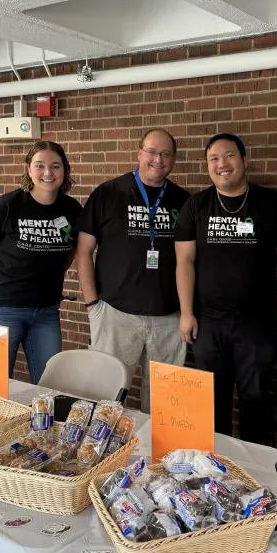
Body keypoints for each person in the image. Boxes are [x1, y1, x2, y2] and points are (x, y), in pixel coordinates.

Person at [175, 133, 277, 446]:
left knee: (256, 398)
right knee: (212, 401)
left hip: (257, 320)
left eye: (229, 156)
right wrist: (186, 312)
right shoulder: (195, 205)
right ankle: (217, 472)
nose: (221, 164)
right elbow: (184, 261)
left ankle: (254, 472)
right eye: (214, 159)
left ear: (243, 160)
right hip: (208, 321)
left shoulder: (270, 203)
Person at [74, 128, 190, 412]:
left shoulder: (184, 200)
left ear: (173, 159)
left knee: (167, 404)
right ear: (139, 153)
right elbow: (84, 250)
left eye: (165, 154)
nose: (158, 159)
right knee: (106, 396)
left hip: (169, 318)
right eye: (151, 151)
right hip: (115, 313)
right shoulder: (108, 193)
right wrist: (93, 305)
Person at [0, 141, 81, 384]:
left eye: (55, 166)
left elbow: (70, 252)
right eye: (39, 165)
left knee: (50, 385)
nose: (48, 173)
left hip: (46, 311)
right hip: (0, 308)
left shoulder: (71, 209)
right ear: (29, 170)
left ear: (65, 170)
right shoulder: (7, 206)